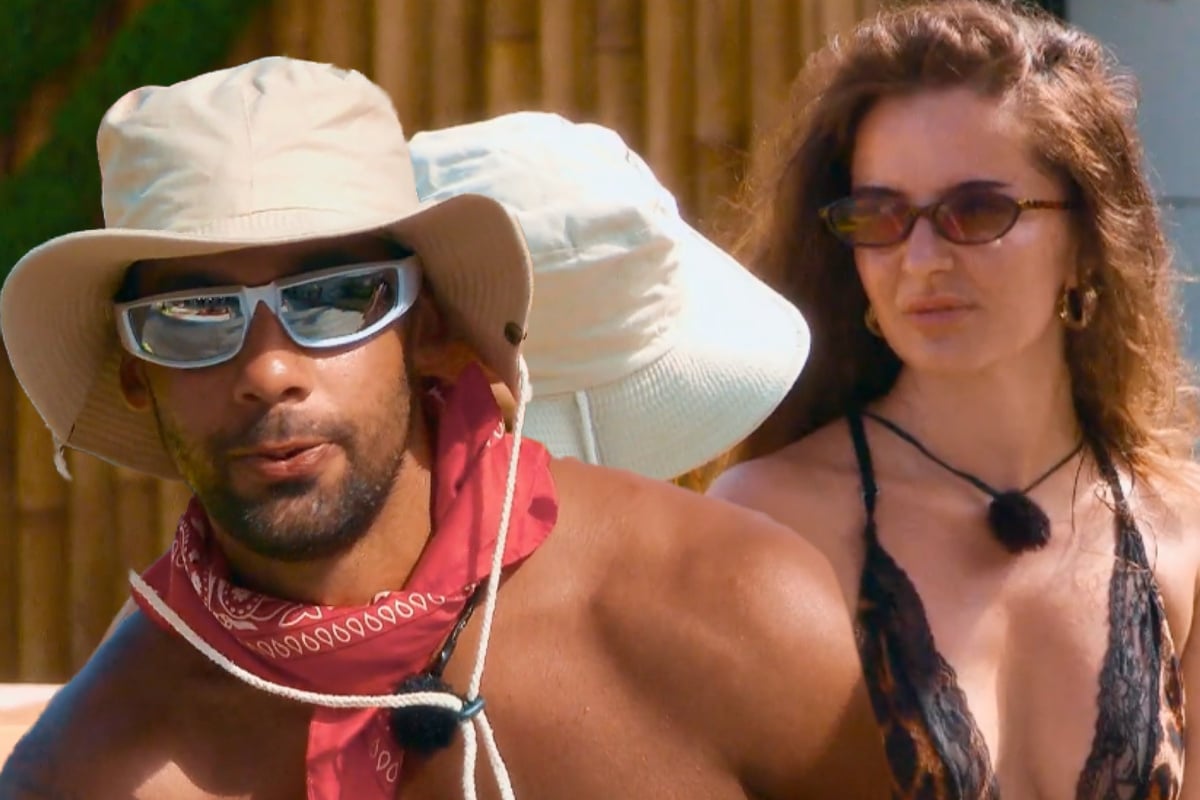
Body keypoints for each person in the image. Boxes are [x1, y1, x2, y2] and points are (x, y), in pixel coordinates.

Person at [0, 58, 886, 799]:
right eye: (193, 315)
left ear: (428, 329)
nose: (268, 370)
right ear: (134, 371)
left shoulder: (730, 607)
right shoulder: (93, 768)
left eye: (336, 297)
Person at [709, 1, 1200, 797]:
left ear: (1088, 237)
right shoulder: (772, 522)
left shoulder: (1180, 532)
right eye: (880, 216)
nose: (922, 258)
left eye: (976, 211)